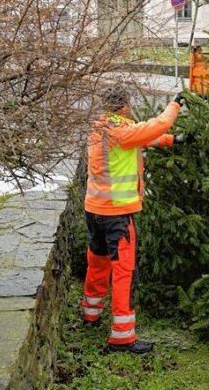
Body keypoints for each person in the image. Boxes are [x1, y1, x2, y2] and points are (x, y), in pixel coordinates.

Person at [81, 84, 184, 354]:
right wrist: (176, 105)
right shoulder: (121, 129)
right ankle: (122, 337)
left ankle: (90, 315)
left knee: (98, 263)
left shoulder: (100, 127)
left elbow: (140, 139)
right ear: (124, 105)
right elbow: (155, 126)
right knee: (124, 273)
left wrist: (173, 141)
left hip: (94, 210)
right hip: (117, 215)